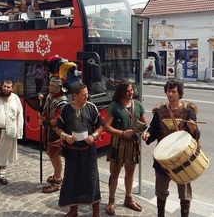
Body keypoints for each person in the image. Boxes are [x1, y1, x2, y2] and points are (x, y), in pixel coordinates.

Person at [142, 79, 200, 217]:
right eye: (168, 91)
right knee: (161, 191)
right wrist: (148, 134)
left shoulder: (188, 112)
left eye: (174, 91)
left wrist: (193, 129)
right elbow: (154, 129)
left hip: (183, 158)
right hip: (163, 158)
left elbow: (195, 136)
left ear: (180, 93)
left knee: (184, 193)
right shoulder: (160, 112)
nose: (170, 94)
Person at [55, 82, 104, 217]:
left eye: (87, 94)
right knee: (71, 180)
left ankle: (96, 212)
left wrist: (93, 136)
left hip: (88, 151)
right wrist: (65, 136)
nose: (86, 97)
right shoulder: (66, 109)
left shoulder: (91, 108)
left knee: (92, 179)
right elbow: (58, 128)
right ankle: (73, 210)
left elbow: (100, 126)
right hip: (71, 151)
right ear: (74, 95)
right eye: (83, 95)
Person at [104, 80, 147, 215]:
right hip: (118, 143)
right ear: (121, 92)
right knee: (115, 173)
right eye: (128, 91)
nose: (131, 93)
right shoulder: (114, 106)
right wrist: (122, 133)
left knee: (130, 172)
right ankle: (111, 200)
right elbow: (107, 127)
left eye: (132, 90)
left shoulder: (138, 105)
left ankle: (128, 198)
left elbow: (145, 123)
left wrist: (143, 133)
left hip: (133, 144)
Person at [37, 77, 69, 193]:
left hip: (56, 131)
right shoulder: (50, 97)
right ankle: (56, 173)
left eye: (51, 85)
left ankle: (57, 180)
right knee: (49, 152)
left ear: (57, 87)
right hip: (49, 130)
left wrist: (44, 122)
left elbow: (58, 120)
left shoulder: (62, 102)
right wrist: (42, 115)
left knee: (55, 155)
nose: (49, 87)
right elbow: (46, 111)